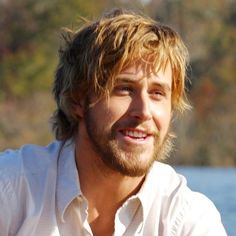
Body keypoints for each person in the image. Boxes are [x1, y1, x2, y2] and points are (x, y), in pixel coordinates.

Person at [0, 8, 227, 236]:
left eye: (157, 93)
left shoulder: (187, 220)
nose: (144, 112)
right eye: (125, 89)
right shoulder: (11, 189)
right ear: (78, 100)